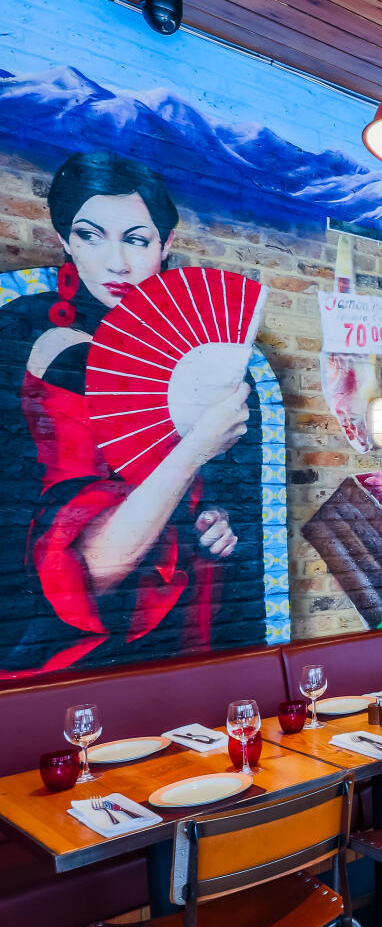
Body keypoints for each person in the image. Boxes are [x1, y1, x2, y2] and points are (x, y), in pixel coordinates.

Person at [0, 151, 262, 674]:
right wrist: (195, 449)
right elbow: (86, 569)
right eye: (91, 236)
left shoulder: (218, 363)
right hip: (80, 648)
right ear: (65, 241)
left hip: (192, 634)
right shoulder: (55, 349)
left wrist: (219, 522)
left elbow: (227, 499)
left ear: (166, 245)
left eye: (136, 240)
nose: (115, 262)